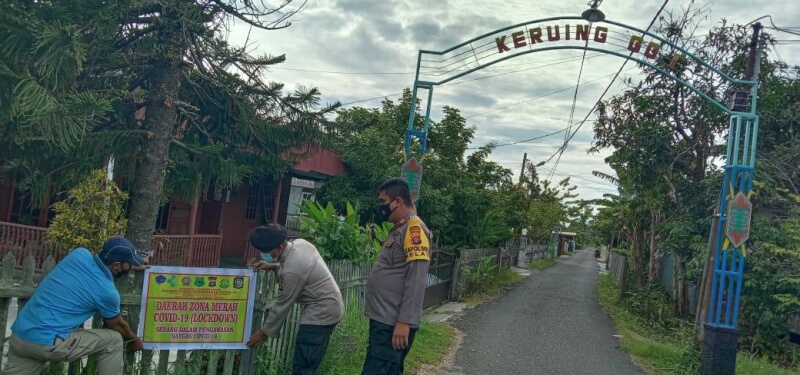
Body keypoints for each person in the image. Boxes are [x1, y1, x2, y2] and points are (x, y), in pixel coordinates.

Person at [3, 236, 147, 375]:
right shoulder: (107, 291)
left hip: (21, 336)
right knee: (114, 340)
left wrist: (130, 266)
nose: (129, 267)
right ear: (117, 266)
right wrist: (134, 340)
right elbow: (118, 326)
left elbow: (97, 268)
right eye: (128, 264)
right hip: (49, 342)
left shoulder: (79, 254)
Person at [246, 224, 344, 375]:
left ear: (279, 247)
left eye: (267, 252)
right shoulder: (301, 244)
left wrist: (264, 333)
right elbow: (291, 264)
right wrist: (272, 266)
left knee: (304, 363)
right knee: (308, 362)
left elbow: (282, 305)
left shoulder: (294, 270)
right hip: (331, 306)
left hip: (320, 312)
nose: (265, 255)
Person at [362, 178, 431, 375]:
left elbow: (416, 278)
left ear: (398, 201)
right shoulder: (401, 228)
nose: (381, 206)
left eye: (383, 202)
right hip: (385, 320)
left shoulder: (414, 230)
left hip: (393, 323)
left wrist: (405, 322)